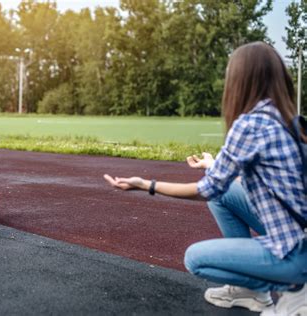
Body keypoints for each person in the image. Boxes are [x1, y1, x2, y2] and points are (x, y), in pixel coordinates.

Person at [104, 41, 306, 315]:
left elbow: (206, 190)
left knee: (196, 259)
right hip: (300, 234)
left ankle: (295, 290)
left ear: (240, 80)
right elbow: (270, 183)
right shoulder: (293, 123)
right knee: (223, 194)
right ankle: (254, 292)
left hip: (296, 253)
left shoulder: (248, 125)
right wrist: (214, 164)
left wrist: (145, 184)